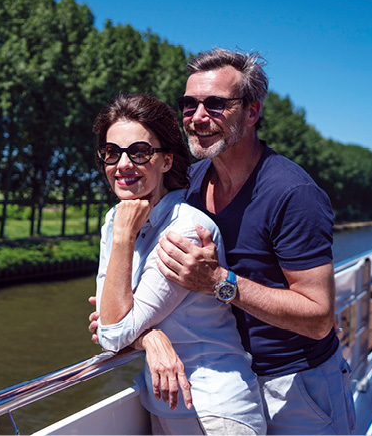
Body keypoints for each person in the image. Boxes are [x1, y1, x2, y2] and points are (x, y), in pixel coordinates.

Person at [149, 48, 356, 434]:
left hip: (296, 385)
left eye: (215, 104)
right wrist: (146, 332)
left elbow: (318, 318)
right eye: (189, 104)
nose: (198, 117)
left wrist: (218, 281)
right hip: (223, 383)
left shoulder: (292, 194)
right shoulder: (188, 185)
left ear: (252, 112)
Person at [91, 92, 265, 435]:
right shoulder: (115, 220)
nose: (123, 164)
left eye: (139, 152)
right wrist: (150, 338)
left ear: (166, 161)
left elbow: (112, 331)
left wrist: (125, 239)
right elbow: (109, 321)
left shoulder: (186, 231)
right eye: (112, 152)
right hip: (165, 405)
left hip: (216, 410)